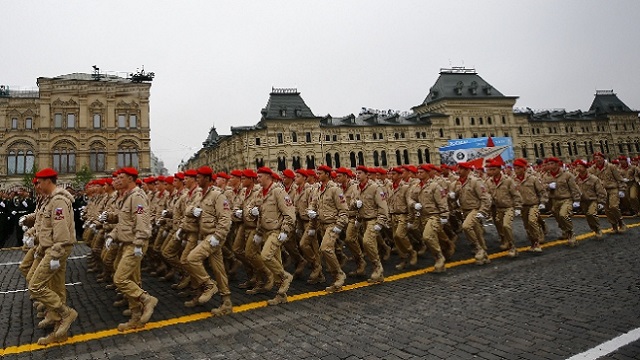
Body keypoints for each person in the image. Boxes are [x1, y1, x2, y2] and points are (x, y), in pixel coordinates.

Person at [28, 168, 78, 345]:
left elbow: (61, 233)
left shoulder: (58, 201)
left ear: (48, 181)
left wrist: (55, 254)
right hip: (50, 249)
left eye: (40, 182)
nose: (38, 185)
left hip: (57, 249)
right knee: (56, 287)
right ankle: (59, 330)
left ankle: (66, 313)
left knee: (35, 286)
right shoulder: (51, 200)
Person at [106, 167, 158, 331]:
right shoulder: (127, 197)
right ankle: (136, 316)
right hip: (127, 242)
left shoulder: (137, 196)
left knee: (120, 278)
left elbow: (142, 222)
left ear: (130, 179)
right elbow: (124, 222)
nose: (117, 180)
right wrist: (112, 236)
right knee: (131, 280)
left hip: (135, 243)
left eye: (121, 177)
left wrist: (139, 244)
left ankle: (146, 299)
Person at [254, 166, 296, 305]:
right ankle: (281, 295)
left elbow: (289, 213)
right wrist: (259, 232)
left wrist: (285, 231)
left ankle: (285, 277)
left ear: (268, 177)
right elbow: (261, 215)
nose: (257, 178)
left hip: (276, 231)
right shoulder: (261, 193)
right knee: (276, 263)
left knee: (265, 256)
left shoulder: (278, 191)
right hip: (266, 232)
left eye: (260, 176)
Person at [352, 166, 389, 283]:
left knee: (367, 242)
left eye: (360, 173)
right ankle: (378, 273)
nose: (357, 175)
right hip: (363, 220)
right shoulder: (358, 188)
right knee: (370, 244)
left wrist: (380, 221)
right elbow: (354, 204)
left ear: (367, 175)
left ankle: (378, 267)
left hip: (373, 219)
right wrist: (355, 205)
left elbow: (383, 206)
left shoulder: (374, 188)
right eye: (356, 173)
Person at [450, 162, 492, 265]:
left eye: (460, 169)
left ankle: (478, 248)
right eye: (458, 169)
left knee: (466, 226)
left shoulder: (475, 181)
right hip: (464, 210)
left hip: (475, 209)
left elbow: (485, 198)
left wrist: (482, 211)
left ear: (467, 170)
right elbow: (456, 197)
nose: (458, 171)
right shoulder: (458, 183)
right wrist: (452, 196)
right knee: (477, 232)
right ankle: (484, 255)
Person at [484, 159, 522, 257]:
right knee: (500, 227)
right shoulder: (489, 181)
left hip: (508, 207)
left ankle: (513, 247)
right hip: (497, 208)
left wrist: (517, 207)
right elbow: (487, 194)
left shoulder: (508, 180)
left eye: (493, 169)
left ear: (499, 169)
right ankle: (505, 241)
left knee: (506, 225)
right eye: (490, 169)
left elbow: (515, 194)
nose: (491, 172)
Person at [540, 158, 582, 246]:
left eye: (552, 163)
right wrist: (548, 186)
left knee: (563, 214)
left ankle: (571, 234)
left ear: (557, 164)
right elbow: (542, 187)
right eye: (549, 164)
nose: (550, 165)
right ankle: (565, 231)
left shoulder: (567, 175)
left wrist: (577, 200)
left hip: (566, 199)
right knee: (558, 217)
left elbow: (574, 188)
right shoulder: (546, 176)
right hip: (554, 200)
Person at [512, 158, 548, 252]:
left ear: (524, 168)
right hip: (522, 207)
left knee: (532, 221)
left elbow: (542, 191)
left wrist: (543, 202)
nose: (516, 171)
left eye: (518, 168)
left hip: (533, 204)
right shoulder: (513, 181)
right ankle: (533, 241)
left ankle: (537, 242)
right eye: (515, 168)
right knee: (527, 226)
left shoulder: (532, 179)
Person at [589, 152, 627, 233]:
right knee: (607, 210)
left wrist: (622, 189)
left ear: (603, 158)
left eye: (599, 157)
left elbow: (619, 178)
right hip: (602, 191)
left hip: (613, 188)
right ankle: (614, 226)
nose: (598, 159)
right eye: (596, 158)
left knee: (613, 206)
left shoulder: (611, 167)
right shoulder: (592, 169)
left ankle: (621, 223)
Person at [574, 159, 607, 238]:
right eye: (578, 166)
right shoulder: (576, 179)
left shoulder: (593, 179)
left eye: (580, 166)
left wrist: (601, 202)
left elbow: (600, 190)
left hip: (593, 200)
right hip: (583, 201)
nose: (578, 168)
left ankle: (598, 229)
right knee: (588, 216)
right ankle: (594, 228)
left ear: (585, 167)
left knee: (591, 213)